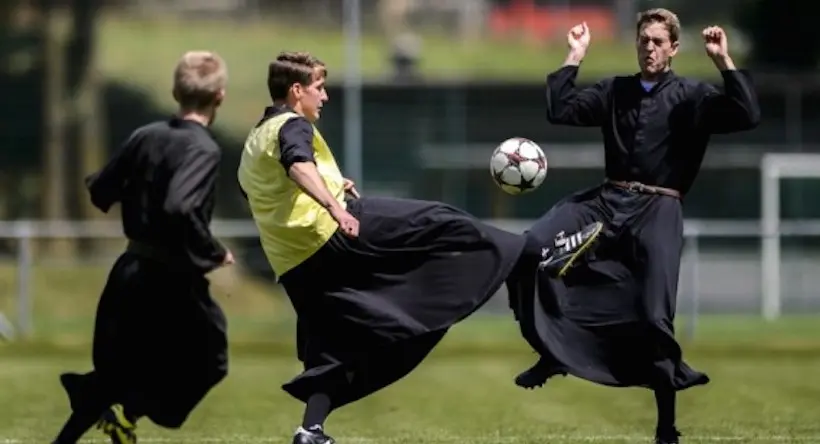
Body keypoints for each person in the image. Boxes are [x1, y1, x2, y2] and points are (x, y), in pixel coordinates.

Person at [237, 51, 526, 444]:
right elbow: (298, 166)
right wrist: (337, 206)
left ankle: (311, 429)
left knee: (329, 351)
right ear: (296, 90)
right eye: (319, 88)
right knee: (437, 220)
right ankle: (528, 251)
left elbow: (272, 186)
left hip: (296, 264)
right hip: (333, 234)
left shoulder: (253, 142)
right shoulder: (293, 125)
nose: (324, 97)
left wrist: (335, 182)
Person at [506, 9, 760, 444]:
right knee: (534, 248)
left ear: (674, 48)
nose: (650, 48)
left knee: (654, 319)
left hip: (658, 211)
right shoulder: (615, 91)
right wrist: (575, 55)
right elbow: (560, 109)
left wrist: (723, 62)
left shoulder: (692, 96)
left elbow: (747, 113)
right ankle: (553, 353)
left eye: (659, 41)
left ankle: (666, 428)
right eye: (644, 40)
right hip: (606, 203)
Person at [52, 51, 234, 444]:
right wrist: (214, 250)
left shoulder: (146, 135)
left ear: (175, 91)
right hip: (170, 278)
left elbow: (101, 188)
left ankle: (95, 411)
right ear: (220, 96)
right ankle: (125, 407)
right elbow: (180, 206)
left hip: (130, 269)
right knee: (212, 358)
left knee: (119, 372)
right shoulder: (204, 148)